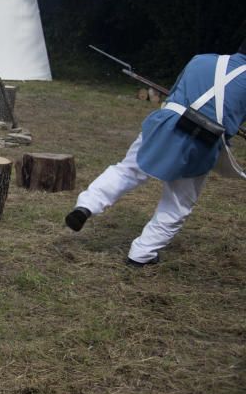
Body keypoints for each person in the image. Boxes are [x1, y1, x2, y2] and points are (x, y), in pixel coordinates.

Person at [66, 42, 246, 266]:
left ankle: (86, 206)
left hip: (165, 123)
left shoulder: (202, 59)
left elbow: (176, 92)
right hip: (202, 140)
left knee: (127, 171)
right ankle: (142, 254)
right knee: (178, 202)